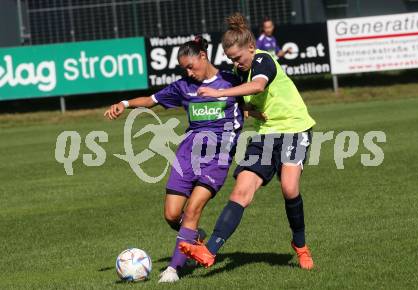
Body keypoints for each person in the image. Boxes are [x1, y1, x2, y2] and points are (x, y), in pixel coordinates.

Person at [104, 36, 262, 282]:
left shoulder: (231, 80)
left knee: (192, 209)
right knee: (171, 214)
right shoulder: (183, 87)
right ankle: (192, 236)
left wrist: (263, 115)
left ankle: (173, 270)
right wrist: (124, 103)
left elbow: (251, 100)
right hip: (188, 153)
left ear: (203, 56)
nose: (189, 72)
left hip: (218, 156)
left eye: (191, 66)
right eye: (184, 68)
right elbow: (151, 101)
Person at [180, 13, 316, 270]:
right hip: (265, 133)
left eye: (239, 58)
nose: (236, 63)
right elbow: (242, 102)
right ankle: (209, 251)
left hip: (295, 129)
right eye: (231, 59)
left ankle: (301, 246)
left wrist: (219, 92)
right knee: (241, 190)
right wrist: (248, 111)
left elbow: (258, 87)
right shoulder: (237, 72)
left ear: (251, 48)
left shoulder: (263, 59)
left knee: (289, 187)